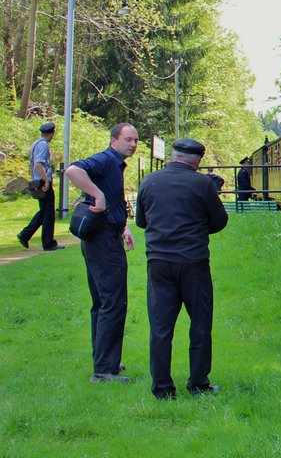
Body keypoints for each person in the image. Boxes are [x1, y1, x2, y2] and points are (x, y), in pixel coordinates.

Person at [136, 138, 229, 399]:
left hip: (158, 263)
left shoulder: (149, 181)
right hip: (193, 262)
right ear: (197, 160)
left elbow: (142, 221)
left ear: (173, 156)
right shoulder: (202, 184)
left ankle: (162, 388)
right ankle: (198, 384)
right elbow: (220, 221)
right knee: (199, 324)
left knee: (161, 327)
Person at [64, 122, 139, 384]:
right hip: (103, 241)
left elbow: (114, 199)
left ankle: (105, 362)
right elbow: (72, 170)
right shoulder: (106, 160)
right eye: (128, 139)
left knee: (102, 302)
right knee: (113, 302)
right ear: (113, 141)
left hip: (106, 235)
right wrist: (97, 194)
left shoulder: (114, 165)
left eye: (135, 141)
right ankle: (105, 370)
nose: (132, 144)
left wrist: (123, 227)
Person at [17, 122, 63, 252]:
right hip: (43, 182)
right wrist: (45, 180)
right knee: (48, 214)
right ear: (51, 134)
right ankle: (48, 243)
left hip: (37, 181)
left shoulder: (35, 144)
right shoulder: (43, 145)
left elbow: (31, 165)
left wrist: (34, 179)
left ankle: (25, 235)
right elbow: (38, 164)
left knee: (43, 212)